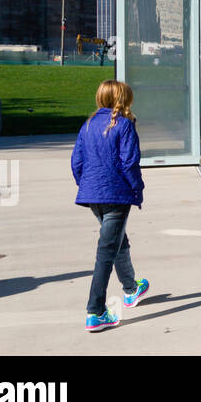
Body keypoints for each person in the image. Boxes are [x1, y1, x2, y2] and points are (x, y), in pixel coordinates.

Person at [71, 80, 149, 333]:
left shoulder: (89, 124)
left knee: (116, 241)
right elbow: (129, 163)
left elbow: (77, 162)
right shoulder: (125, 125)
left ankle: (131, 289)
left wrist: (86, 185)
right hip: (116, 195)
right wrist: (137, 188)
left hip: (93, 195)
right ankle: (95, 311)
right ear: (123, 100)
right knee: (106, 250)